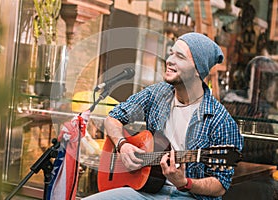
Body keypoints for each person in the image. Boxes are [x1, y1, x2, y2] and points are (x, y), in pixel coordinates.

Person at [83, 32, 244, 200]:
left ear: (198, 70)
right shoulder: (157, 94)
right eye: (171, 53)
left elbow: (220, 186)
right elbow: (112, 118)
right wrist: (122, 145)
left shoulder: (220, 120)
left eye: (180, 57)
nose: (169, 60)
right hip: (146, 191)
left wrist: (185, 183)